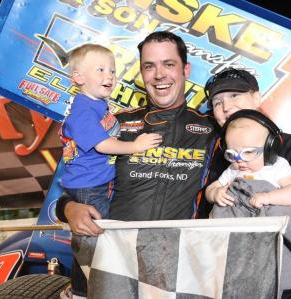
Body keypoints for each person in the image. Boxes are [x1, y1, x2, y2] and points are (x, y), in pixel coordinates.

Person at [56, 32, 217, 298]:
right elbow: (73, 181)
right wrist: (68, 209)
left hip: (177, 275)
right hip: (109, 272)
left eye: (169, 64)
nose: (159, 75)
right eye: (149, 66)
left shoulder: (213, 129)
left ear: (185, 69)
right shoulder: (113, 123)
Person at [202, 68, 291, 298]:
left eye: (234, 96)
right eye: (217, 102)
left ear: (257, 97)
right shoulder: (219, 157)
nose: (226, 107)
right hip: (236, 278)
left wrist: (258, 200)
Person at [60, 43, 162, 299]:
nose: (109, 76)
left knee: (98, 237)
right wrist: (136, 146)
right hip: (88, 186)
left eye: (113, 71)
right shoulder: (83, 109)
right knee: (92, 238)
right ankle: (83, 291)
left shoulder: (97, 104)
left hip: (96, 181)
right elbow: (103, 144)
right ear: (78, 77)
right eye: (101, 70)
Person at [206, 112, 291, 210]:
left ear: (270, 148)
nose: (239, 160)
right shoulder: (233, 169)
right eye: (232, 154)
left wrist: (269, 197)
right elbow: (211, 189)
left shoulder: (276, 167)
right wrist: (215, 194)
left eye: (248, 152)